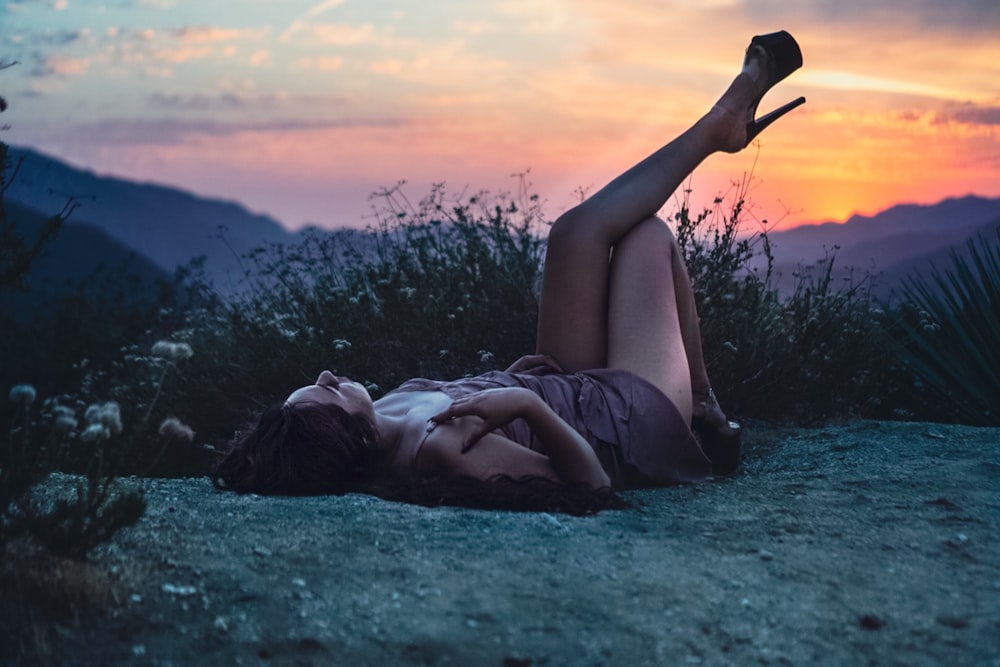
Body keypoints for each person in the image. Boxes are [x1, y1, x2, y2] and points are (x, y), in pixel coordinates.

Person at [212, 31, 805, 513]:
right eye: (324, 392)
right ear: (353, 435)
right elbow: (591, 486)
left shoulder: (387, 413)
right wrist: (527, 409)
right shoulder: (438, 452)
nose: (326, 373)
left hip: (568, 388)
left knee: (572, 234)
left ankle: (721, 124)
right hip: (625, 425)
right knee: (645, 238)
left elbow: (478, 404)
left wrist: (505, 381)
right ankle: (698, 405)